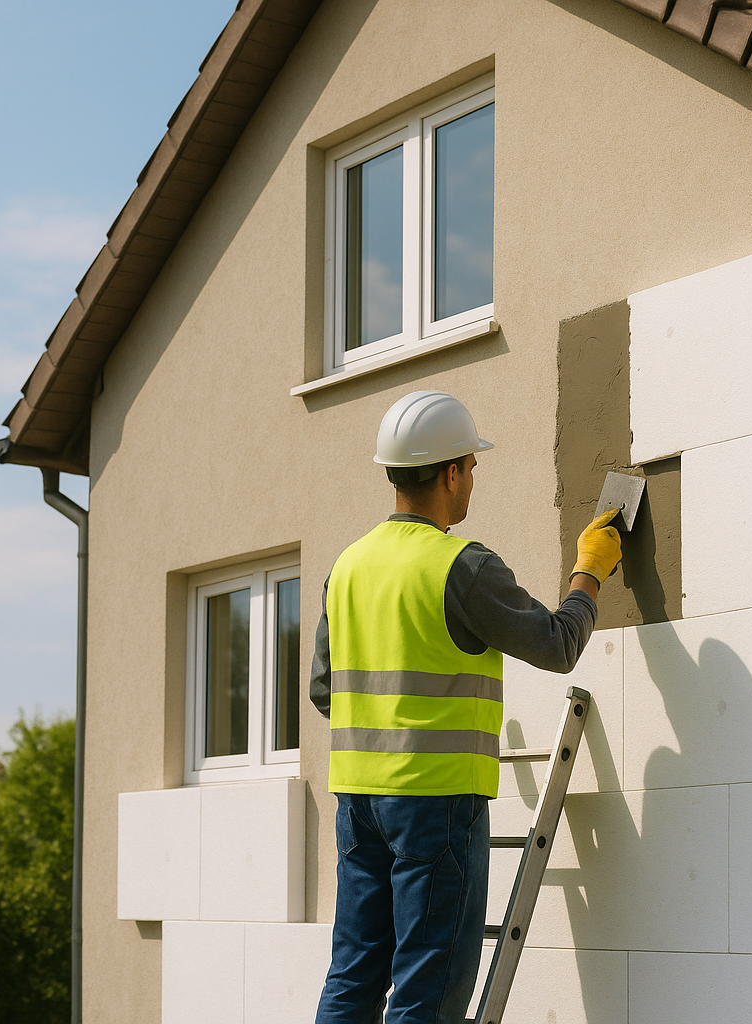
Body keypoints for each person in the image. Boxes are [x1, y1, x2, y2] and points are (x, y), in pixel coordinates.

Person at [309, 390, 623, 1024]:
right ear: (450, 471)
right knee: (429, 988)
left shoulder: (348, 566)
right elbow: (559, 645)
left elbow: (325, 691)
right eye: (472, 467)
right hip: (437, 807)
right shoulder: (462, 565)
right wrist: (589, 574)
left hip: (358, 806)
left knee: (354, 976)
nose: (473, 478)